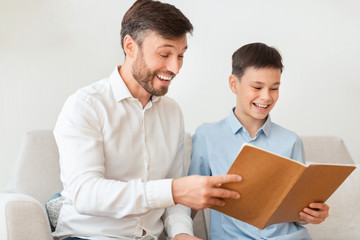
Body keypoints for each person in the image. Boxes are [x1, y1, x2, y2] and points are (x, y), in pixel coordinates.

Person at [51, 0, 242, 240]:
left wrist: (181, 233)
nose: (175, 67)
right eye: (164, 54)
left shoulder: (172, 112)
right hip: (89, 236)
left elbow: (176, 199)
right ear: (130, 46)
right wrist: (172, 190)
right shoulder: (85, 106)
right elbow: (86, 193)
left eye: (180, 55)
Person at [188, 42, 329, 239]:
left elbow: (297, 212)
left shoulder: (291, 141)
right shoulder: (207, 136)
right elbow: (189, 201)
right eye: (257, 87)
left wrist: (311, 215)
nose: (266, 97)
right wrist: (180, 232)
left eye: (274, 88)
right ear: (234, 84)